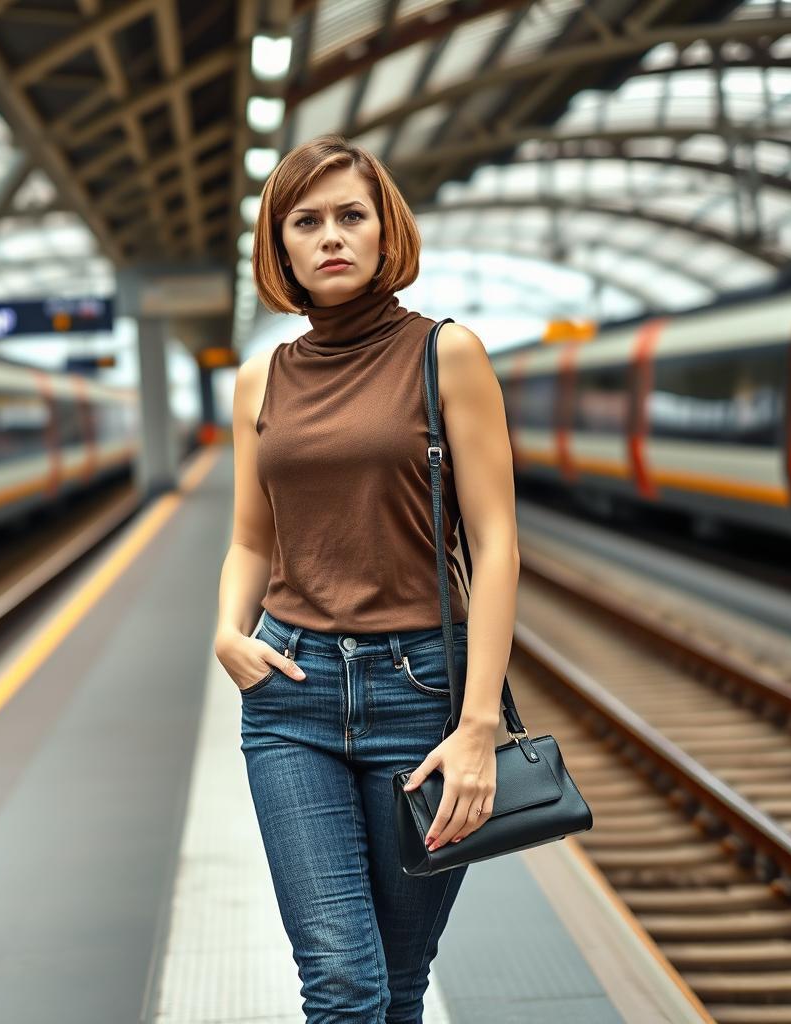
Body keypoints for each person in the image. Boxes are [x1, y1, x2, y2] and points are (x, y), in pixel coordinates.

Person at [215, 133, 519, 1023]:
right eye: (305, 222)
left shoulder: (446, 355)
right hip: (290, 697)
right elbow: (248, 538)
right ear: (280, 249)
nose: (330, 237)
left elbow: (496, 543)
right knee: (343, 985)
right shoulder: (258, 378)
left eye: (352, 216)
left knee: (398, 982)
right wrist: (226, 632)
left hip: (422, 698)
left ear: (388, 232)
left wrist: (477, 727)